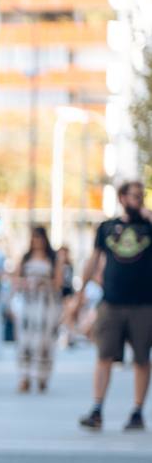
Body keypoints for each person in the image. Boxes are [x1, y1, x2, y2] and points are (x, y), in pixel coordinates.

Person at [77, 180, 151, 431]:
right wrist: (79, 295)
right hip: (112, 301)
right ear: (121, 198)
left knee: (142, 358)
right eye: (133, 196)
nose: (138, 200)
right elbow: (94, 259)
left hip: (143, 303)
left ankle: (138, 411)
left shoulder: (148, 226)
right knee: (104, 355)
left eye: (141, 196)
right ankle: (97, 409)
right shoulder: (107, 227)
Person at [14, 226, 61, 393]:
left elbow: (58, 283)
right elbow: (16, 280)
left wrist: (45, 284)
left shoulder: (53, 258)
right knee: (26, 340)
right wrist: (24, 284)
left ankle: (42, 376)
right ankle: (25, 376)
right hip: (28, 304)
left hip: (46, 304)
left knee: (43, 341)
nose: (37, 242)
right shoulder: (26, 258)